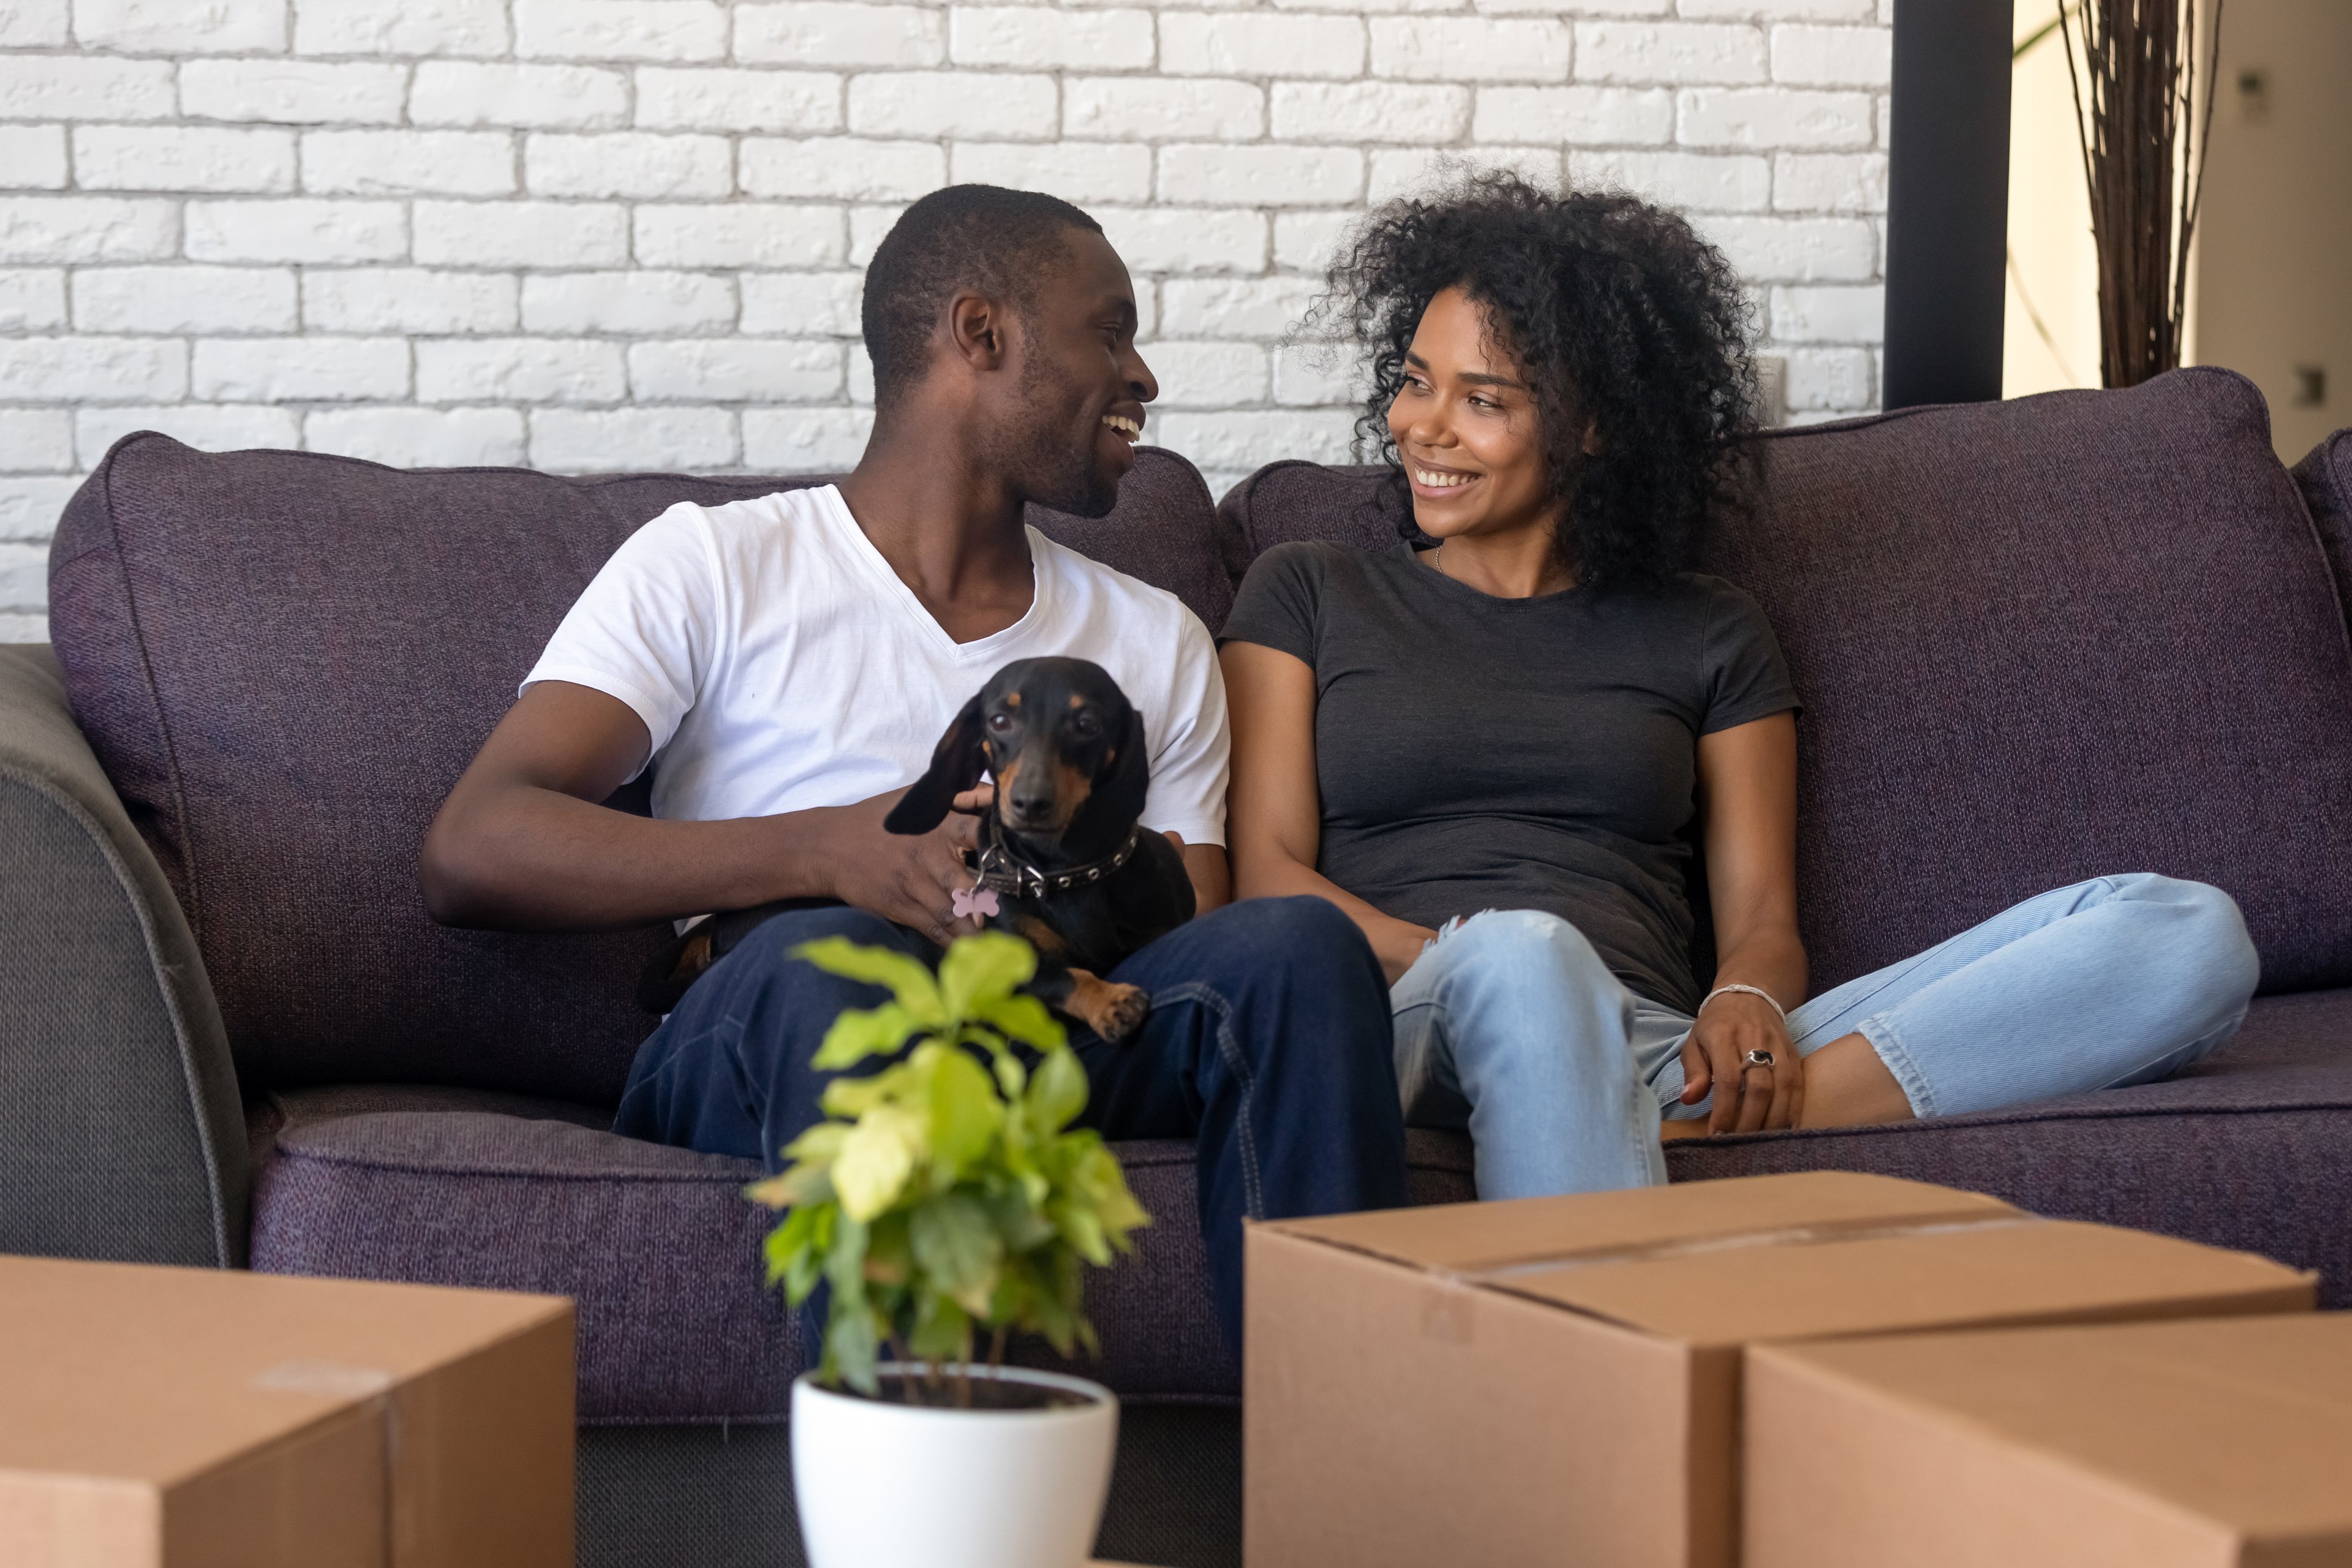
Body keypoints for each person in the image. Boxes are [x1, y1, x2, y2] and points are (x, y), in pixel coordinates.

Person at [420, 185, 1408, 1346]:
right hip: (780, 1029)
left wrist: (1034, 870)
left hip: (1045, 1027)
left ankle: (1346, 1489)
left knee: (1296, 949)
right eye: (1111, 330)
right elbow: (476, 845)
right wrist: (826, 850)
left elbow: (1191, 922)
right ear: (980, 335)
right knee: (826, 955)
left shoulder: (1151, 637)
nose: (1141, 376)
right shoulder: (714, 565)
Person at [1219, 172, 2260, 1201]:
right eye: (1414, 380)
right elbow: (1266, 878)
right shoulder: (1312, 590)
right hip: (1406, 1013)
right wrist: (1488, 953)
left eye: (1482, 400)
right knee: (1532, 960)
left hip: (1661, 1041)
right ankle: (1634, 1260)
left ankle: (1660, 1116)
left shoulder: (1710, 628)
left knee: (2185, 934)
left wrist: (1748, 998)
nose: (1424, 426)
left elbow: (1760, 911)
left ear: (1594, 426)